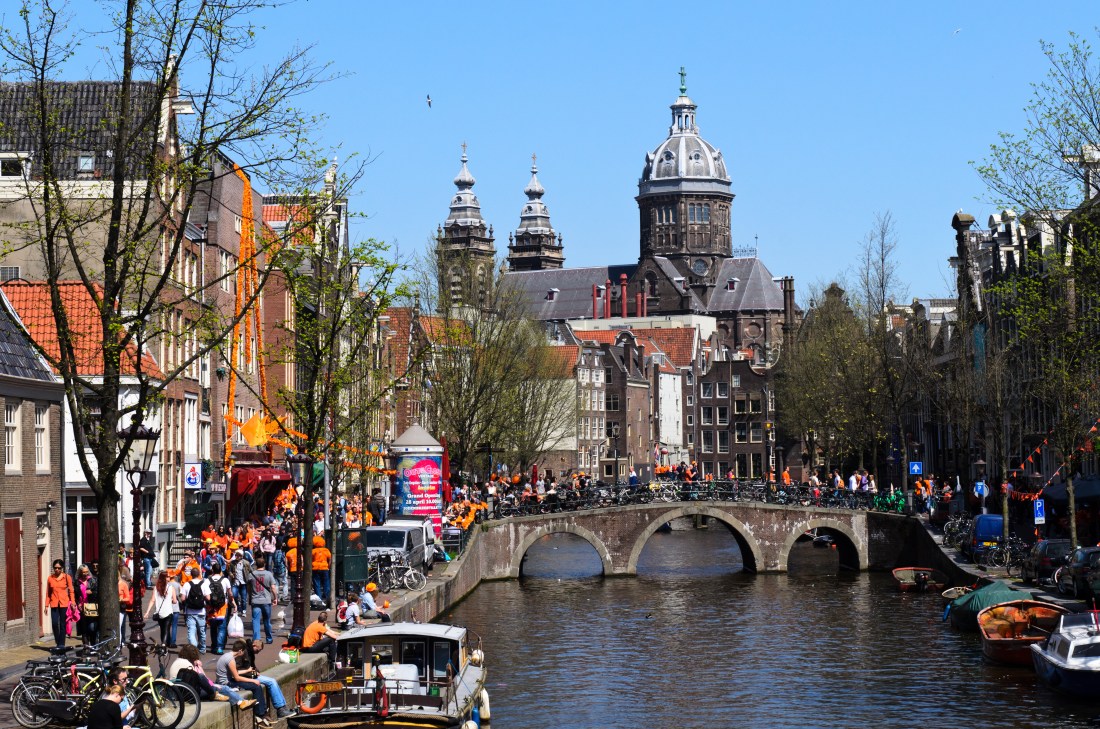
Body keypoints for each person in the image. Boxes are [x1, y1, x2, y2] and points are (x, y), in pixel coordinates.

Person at [218, 640, 292, 725]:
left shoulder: (249, 652)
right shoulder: (239, 654)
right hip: (241, 678)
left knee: (272, 681)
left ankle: (282, 707)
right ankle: (278, 710)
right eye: (258, 650)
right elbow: (237, 673)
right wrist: (253, 677)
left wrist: (255, 672)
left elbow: (250, 666)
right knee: (269, 682)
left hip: (248, 675)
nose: (257, 653)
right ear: (253, 646)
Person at [170, 645, 253, 707]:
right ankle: (240, 702)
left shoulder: (178, 661)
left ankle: (240, 702)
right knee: (223, 688)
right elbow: (201, 678)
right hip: (189, 693)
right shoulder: (187, 664)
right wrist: (199, 667)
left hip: (181, 691)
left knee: (222, 688)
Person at [179, 567, 210, 654]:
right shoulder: (204, 584)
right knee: (201, 631)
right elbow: (208, 597)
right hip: (201, 612)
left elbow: (183, 598)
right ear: (199, 574)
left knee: (191, 632)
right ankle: (202, 648)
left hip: (190, 612)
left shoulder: (186, 584)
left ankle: (194, 648)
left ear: (191, 575)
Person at [144, 570, 179, 647]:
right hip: (168, 612)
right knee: (166, 629)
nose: (169, 578)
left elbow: (152, 600)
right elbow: (175, 601)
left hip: (159, 612)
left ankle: (164, 643)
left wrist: (147, 611)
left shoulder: (156, 588)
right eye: (168, 576)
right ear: (165, 578)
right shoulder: (171, 588)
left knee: (162, 629)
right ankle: (164, 644)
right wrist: (172, 601)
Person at [248, 556, 278, 644]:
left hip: (255, 600)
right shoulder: (269, 574)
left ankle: (257, 638)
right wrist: (275, 598)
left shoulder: (251, 574)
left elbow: (249, 587)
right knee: (267, 620)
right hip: (266, 600)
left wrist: (251, 595)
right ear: (264, 564)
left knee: (255, 620)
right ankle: (269, 638)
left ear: (256, 565)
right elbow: (273, 587)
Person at [46, 559, 75, 647]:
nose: (57, 570)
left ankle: (61, 644)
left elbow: (71, 591)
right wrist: (46, 605)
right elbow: (48, 593)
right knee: (54, 623)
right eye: (55, 568)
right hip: (54, 603)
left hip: (64, 603)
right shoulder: (50, 578)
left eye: (59, 568)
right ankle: (58, 641)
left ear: (62, 568)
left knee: (63, 624)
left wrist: (73, 602)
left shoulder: (67, 577)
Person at [206, 563, 234, 654]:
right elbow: (230, 593)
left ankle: (213, 646)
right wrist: (233, 602)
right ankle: (220, 647)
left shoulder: (207, 580)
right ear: (221, 571)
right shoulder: (225, 580)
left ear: (212, 570)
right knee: (222, 627)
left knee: (213, 628)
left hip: (211, 607)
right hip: (223, 607)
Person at [76, 564, 99, 645]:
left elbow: (98, 592)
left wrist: (92, 592)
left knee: (92, 627)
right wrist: (77, 603)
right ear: (80, 572)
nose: (85, 573)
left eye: (86, 572)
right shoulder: (77, 582)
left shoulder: (93, 580)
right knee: (84, 628)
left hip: (91, 606)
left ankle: (93, 645)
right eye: (83, 572)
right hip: (81, 608)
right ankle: (86, 647)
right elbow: (75, 594)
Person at [311, 536, 331, 604]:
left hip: (315, 568)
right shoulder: (326, 550)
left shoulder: (313, 551)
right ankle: (327, 597)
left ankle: (319, 598)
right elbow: (330, 559)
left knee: (317, 584)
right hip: (325, 568)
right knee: (326, 583)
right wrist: (328, 566)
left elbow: (310, 559)